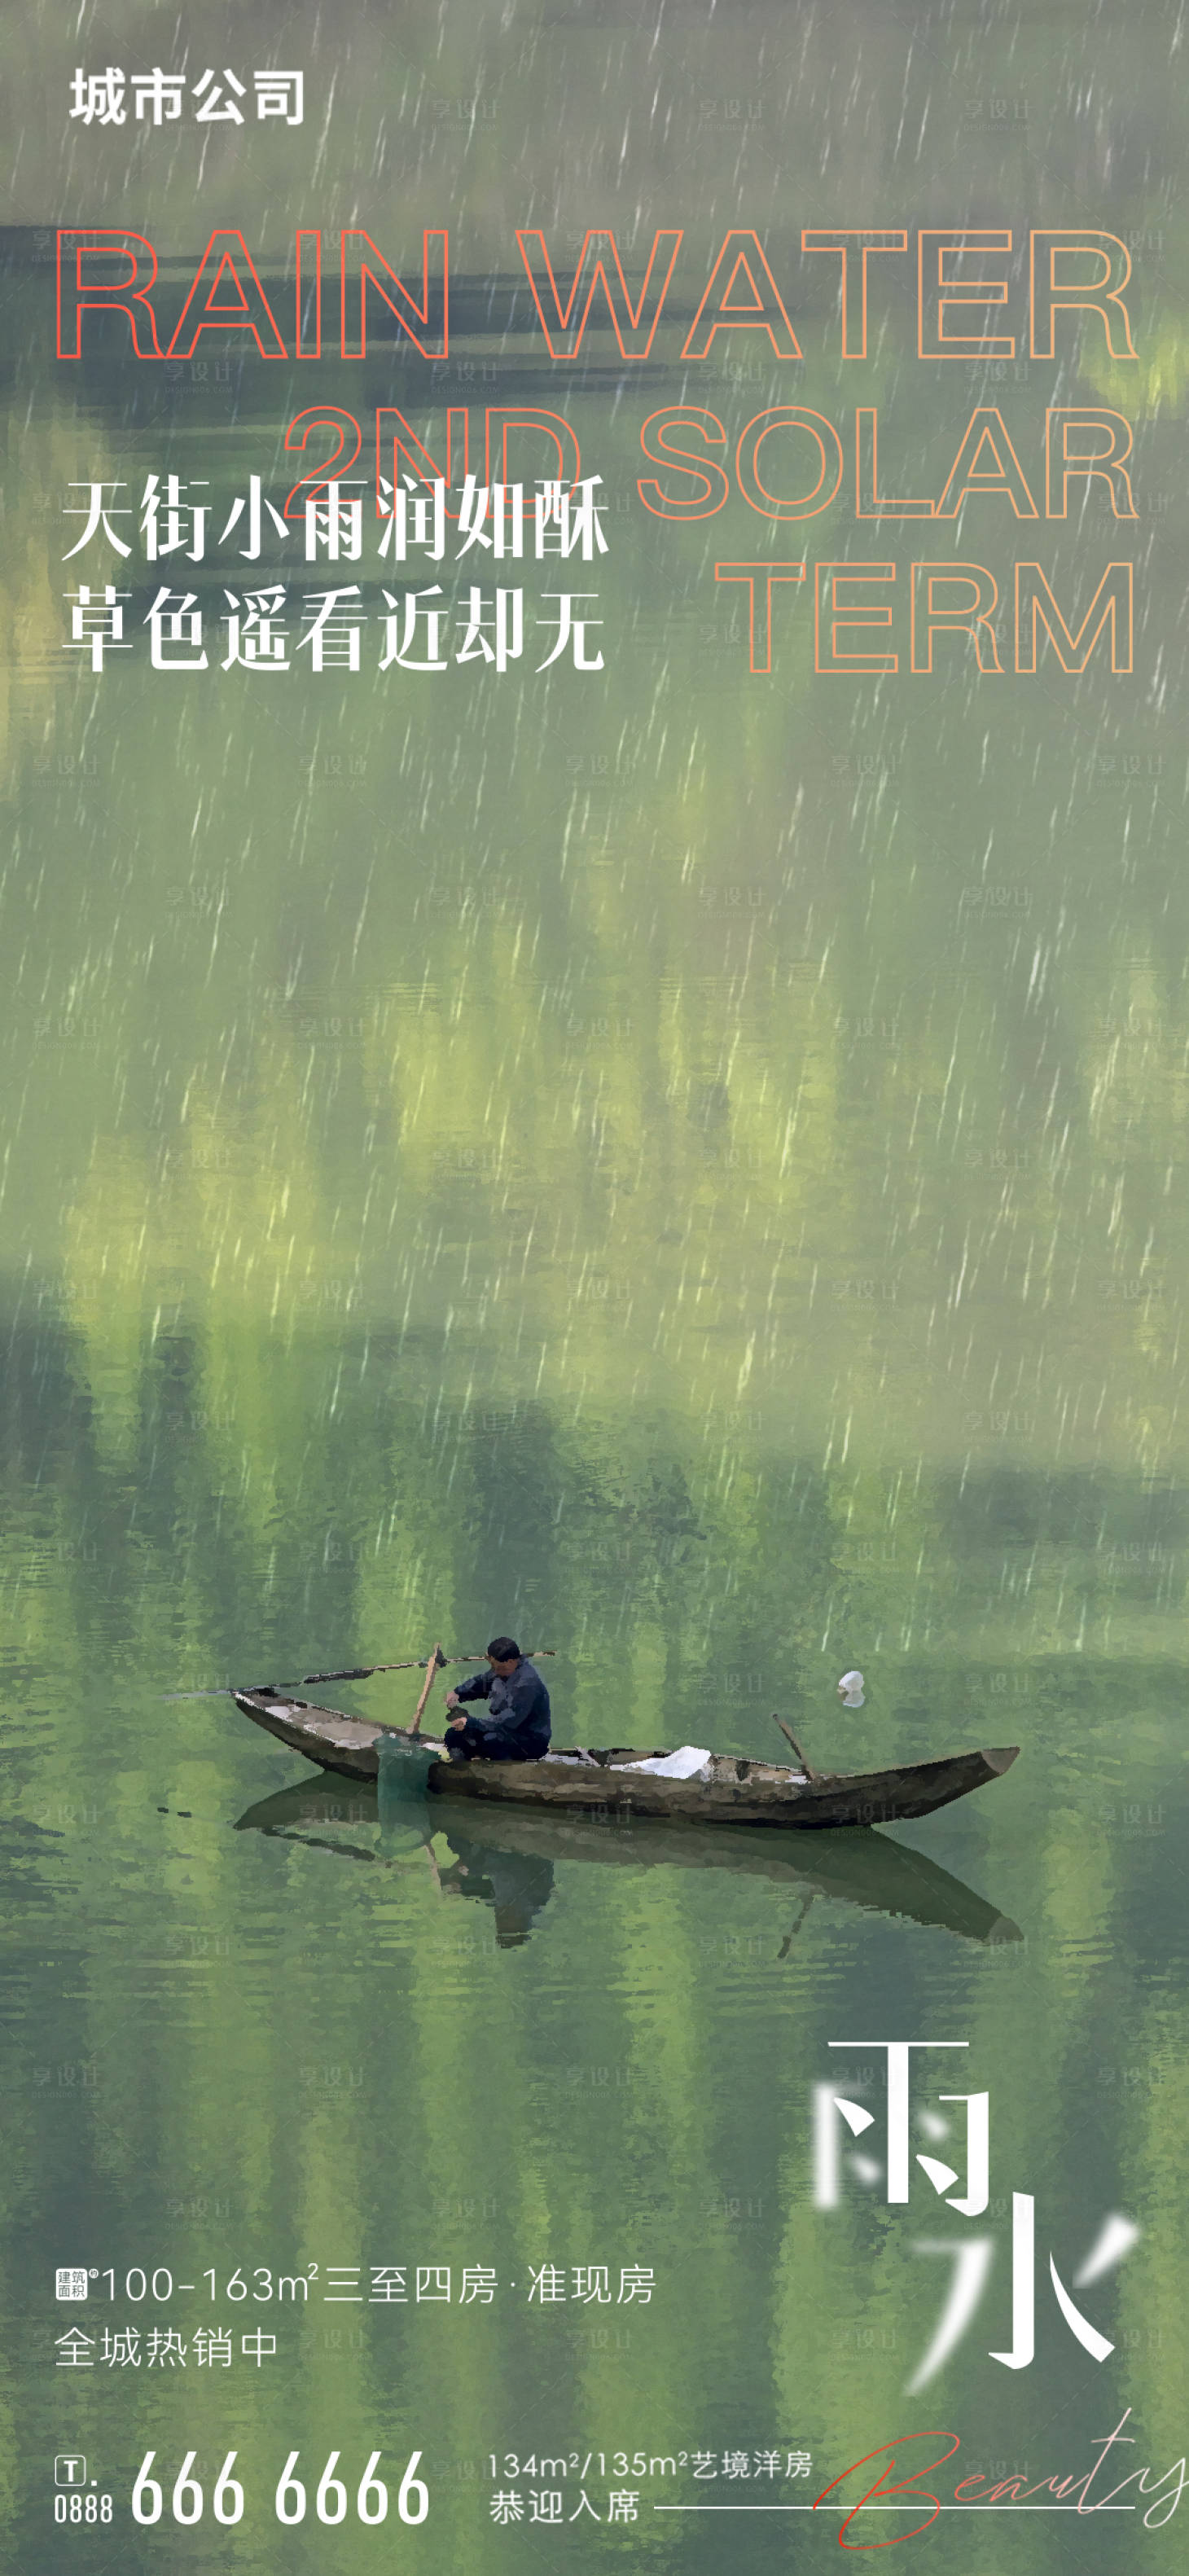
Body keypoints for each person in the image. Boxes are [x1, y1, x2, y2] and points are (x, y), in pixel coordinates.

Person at [443, 1637, 551, 1762]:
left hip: (530, 1740)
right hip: (503, 1732)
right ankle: (461, 1769)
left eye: (497, 1667)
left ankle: (505, 1775)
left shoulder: (527, 1684)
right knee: (453, 1735)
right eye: (493, 1666)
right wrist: (458, 1693)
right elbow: (482, 1682)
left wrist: (471, 1723)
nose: (494, 1670)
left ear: (510, 1662)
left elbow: (510, 1719)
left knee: (491, 1740)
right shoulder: (501, 1669)